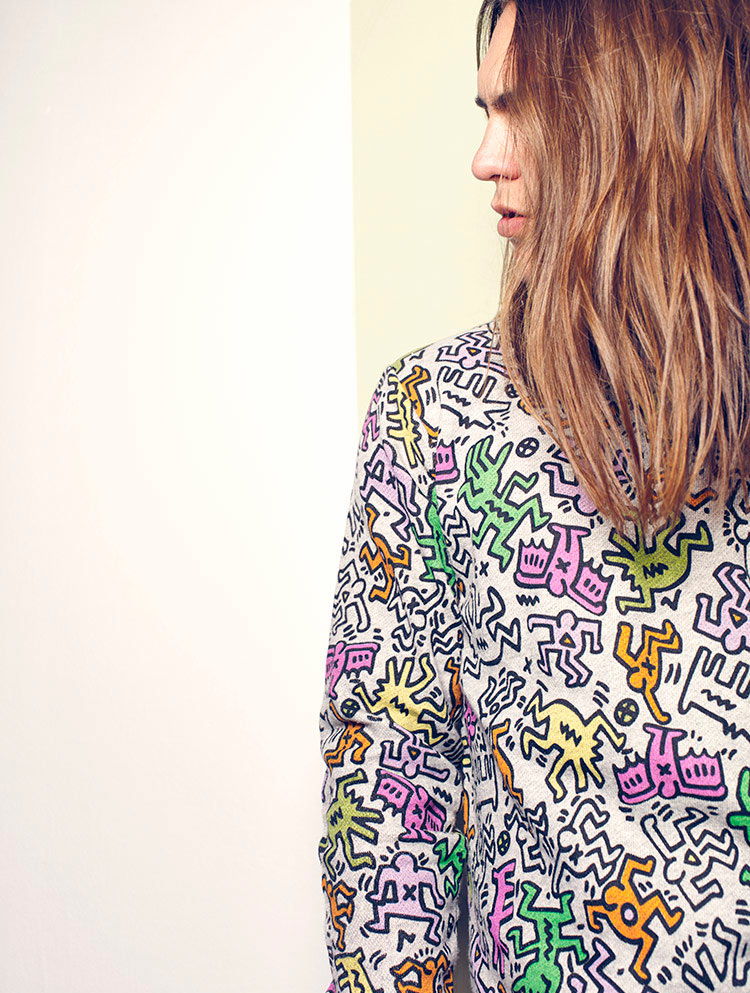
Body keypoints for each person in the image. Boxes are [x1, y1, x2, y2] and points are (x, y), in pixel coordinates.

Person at [319, 1, 750, 990]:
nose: (484, 158)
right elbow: (385, 799)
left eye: (521, 109)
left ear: (637, 112)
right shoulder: (435, 415)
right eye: (486, 111)